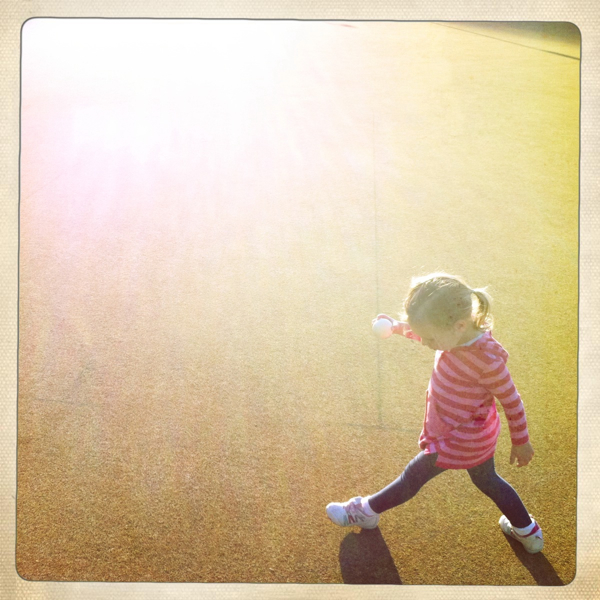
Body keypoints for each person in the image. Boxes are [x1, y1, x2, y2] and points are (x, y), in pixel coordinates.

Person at [326, 273, 544, 554]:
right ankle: (528, 532)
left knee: (413, 476)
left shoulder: (487, 362)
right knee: (487, 480)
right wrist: (396, 327)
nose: (425, 342)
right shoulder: (454, 335)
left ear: (459, 326)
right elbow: (421, 332)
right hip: (476, 434)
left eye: (430, 338)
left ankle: (366, 511)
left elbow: (512, 402)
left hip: (457, 437)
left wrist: (521, 441)